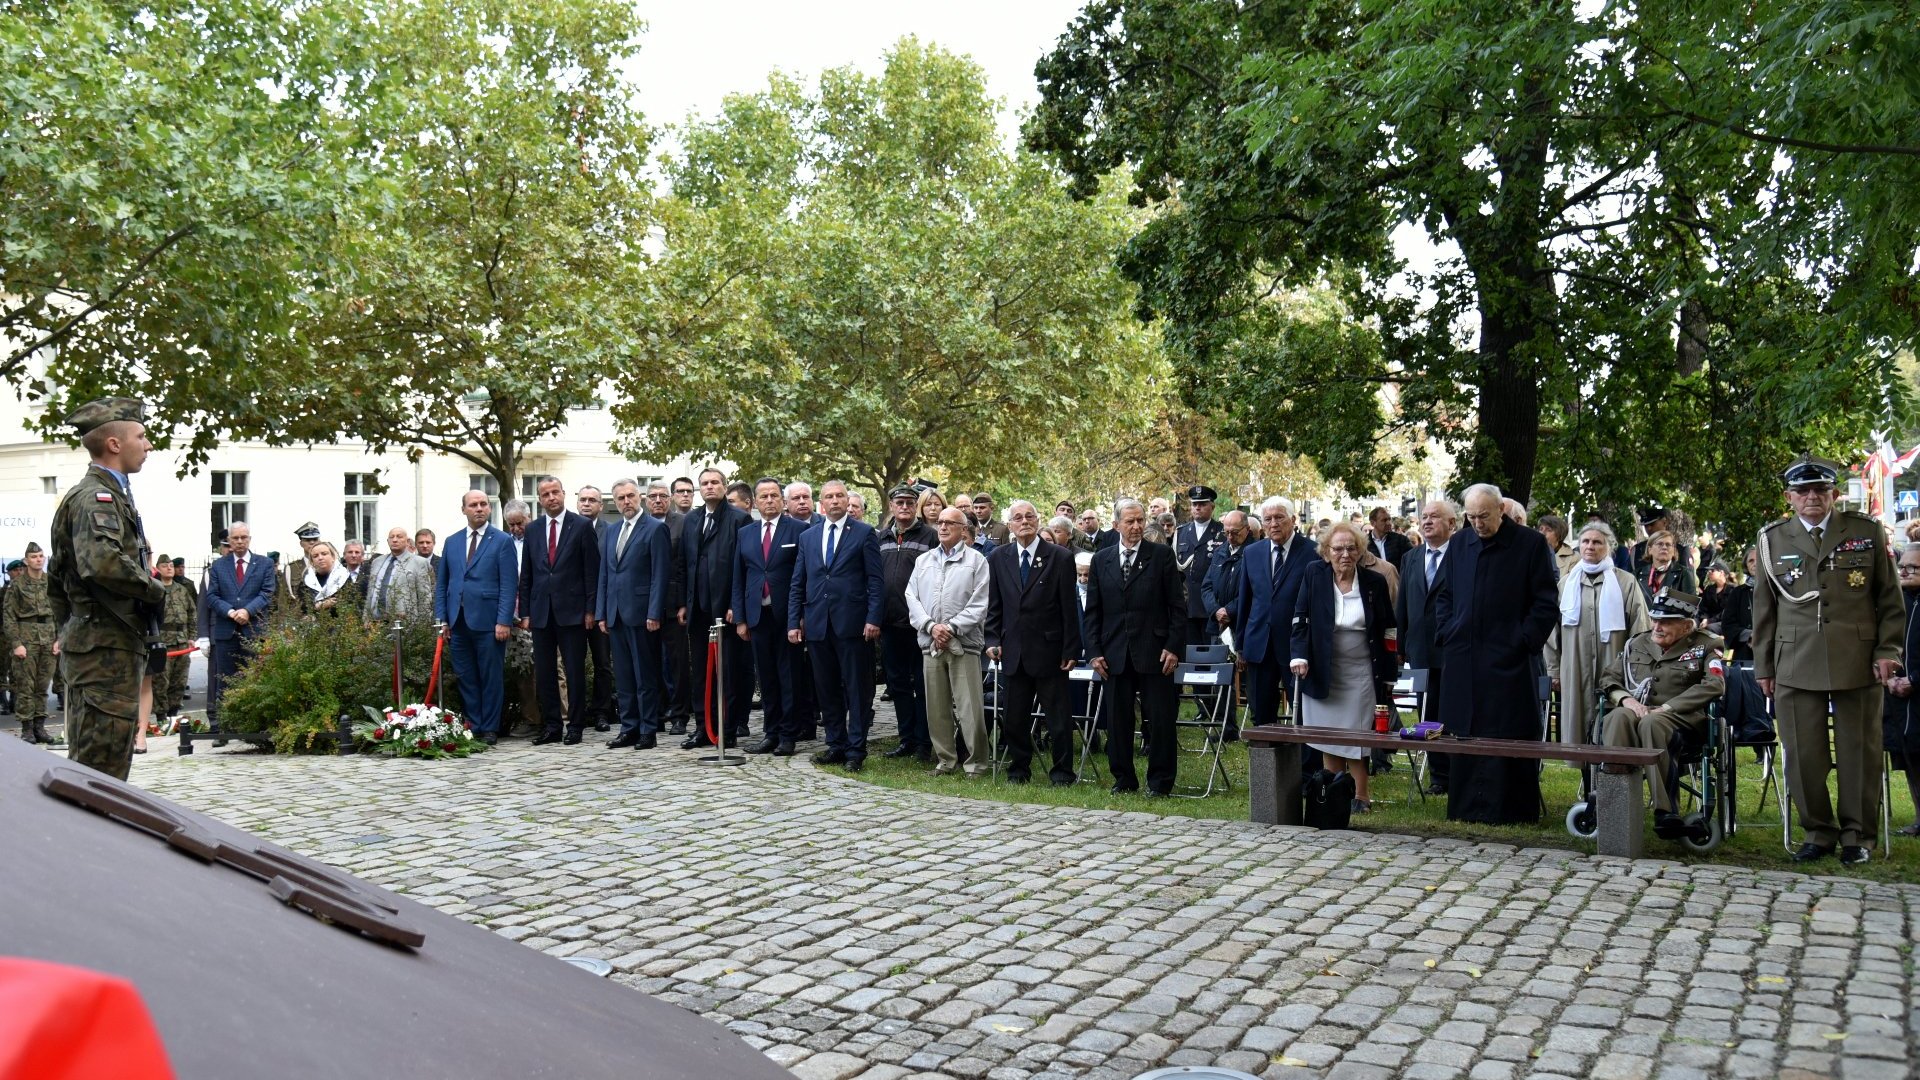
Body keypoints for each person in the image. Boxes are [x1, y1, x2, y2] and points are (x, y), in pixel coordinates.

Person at [1754, 454, 1905, 865]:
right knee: (1804, 754)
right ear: (1790, 498)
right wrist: (1764, 667)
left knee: (1860, 751)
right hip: (1795, 660)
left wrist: (1888, 650)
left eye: (1820, 489)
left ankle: (1858, 835)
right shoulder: (1771, 540)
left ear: (1835, 493)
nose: (1812, 497)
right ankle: (1818, 832)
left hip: (1856, 657)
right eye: (1802, 491)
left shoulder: (1865, 531)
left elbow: (1889, 601)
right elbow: (1764, 610)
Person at [47, 397, 167, 779]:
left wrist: (72, 627)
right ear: (115, 444)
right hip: (103, 651)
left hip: (104, 645)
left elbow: (57, 578)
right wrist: (154, 588)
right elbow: (102, 563)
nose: (148, 445)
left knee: (106, 765)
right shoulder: (95, 497)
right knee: (99, 772)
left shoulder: (112, 495)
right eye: (141, 436)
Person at [1433, 483, 1560, 825]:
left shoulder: (1530, 544)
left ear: (1501, 509)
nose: (1477, 523)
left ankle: (1511, 810)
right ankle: (1467, 807)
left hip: (1510, 660)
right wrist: (1448, 629)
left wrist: (1523, 640)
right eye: (1471, 516)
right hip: (1465, 656)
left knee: (1509, 730)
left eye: (1484, 516)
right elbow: (1444, 593)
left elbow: (1546, 602)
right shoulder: (1460, 543)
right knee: (1467, 729)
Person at [1598, 588, 1726, 840]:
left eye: (1666, 622)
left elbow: (1715, 684)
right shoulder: (1637, 642)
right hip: (1638, 711)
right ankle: (1612, 803)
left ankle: (1665, 811)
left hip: (1682, 721)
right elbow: (1609, 677)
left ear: (1687, 626)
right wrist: (1626, 700)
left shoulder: (1706, 644)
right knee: (1616, 717)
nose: (1656, 626)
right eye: (1655, 619)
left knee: (1652, 723)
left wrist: (1667, 707)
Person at [1288, 522, 1397, 813]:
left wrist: (1389, 674)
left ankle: (1361, 796)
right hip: (1323, 669)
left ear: (1360, 551)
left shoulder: (1374, 581)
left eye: (1351, 548)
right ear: (1326, 552)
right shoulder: (1314, 574)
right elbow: (1300, 618)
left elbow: (1389, 630)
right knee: (1328, 735)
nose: (1345, 554)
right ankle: (1334, 790)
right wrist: (1299, 656)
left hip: (1361, 670)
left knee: (1358, 735)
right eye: (1338, 549)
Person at [1083, 498, 1185, 796]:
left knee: (1162, 719)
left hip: (1155, 652)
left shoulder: (1162, 556)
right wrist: (1094, 652)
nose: (1137, 526)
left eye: (1140, 520)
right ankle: (1124, 779)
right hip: (1114, 653)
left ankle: (1160, 782)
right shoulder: (1101, 560)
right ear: (1115, 525)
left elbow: (1177, 608)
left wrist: (1173, 647)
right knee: (1118, 720)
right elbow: (1093, 613)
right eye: (1130, 521)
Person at [984, 500, 1082, 784]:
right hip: (1013, 650)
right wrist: (992, 638)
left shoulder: (1059, 557)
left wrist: (1071, 648)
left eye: (1030, 516)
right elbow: (994, 606)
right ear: (1010, 525)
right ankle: (1018, 769)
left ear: (1038, 522)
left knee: (1058, 719)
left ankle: (1062, 772)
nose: (1024, 521)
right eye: (1018, 517)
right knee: (1014, 718)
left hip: (1051, 651)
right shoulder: (997, 558)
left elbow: (1069, 608)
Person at [789, 480, 884, 771]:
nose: (834, 501)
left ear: (847, 500)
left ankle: (856, 749)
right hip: (817, 624)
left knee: (857, 689)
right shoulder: (809, 536)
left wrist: (873, 618)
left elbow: (876, 581)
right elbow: (798, 581)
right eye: (828, 497)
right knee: (826, 689)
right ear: (822, 503)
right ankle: (836, 744)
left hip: (853, 624)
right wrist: (794, 621)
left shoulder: (865, 533)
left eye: (839, 496)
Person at [1544, 522, 1651, 746]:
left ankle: (1611, 772)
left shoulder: (1625, 582)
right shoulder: (1566, 583)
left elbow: (1640, 629)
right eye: (1585, 541)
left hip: (1614, 664)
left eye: (1597, 542)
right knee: (1579, 728)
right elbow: (1552, 631)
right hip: (1575, 667)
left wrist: (1637, 669)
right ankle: (1586, 773)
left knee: (1613, 725)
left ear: (1609, 547)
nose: (1590, 546)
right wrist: (1554, 671)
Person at [907, 507, 993, 777]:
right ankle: (946, 761)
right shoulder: (924, 561)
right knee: (936, 708)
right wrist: (931, 627)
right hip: (930, 643)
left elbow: (979, 603)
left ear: (963, 529)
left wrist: (952, 627)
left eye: (950, 523)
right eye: (940, 523)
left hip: (964, 644)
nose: (942, 527)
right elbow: (912, 598)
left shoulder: (977, 561)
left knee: (970, 709)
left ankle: (977, 763)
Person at [517, 477, 600, 746]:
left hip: (573, 611)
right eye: (545, 494)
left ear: (564, 494)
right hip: (541, 612)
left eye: (555, 492)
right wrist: (526, 612)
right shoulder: (533, 530)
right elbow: (527, 574)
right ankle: (551, 725)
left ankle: (575, 725)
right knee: (545, 672)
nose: (551, 497)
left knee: (574, 670)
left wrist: (591, 609)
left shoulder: (582, 526)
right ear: (539, 499)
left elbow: (591, 571)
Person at [434, 490, 517, 745]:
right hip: (458, 621)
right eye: (473, 505)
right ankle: (474, 724)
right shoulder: (452, 541)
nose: (479, 508)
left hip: (489, 622)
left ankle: (490, 727)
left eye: (483, 504)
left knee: (490, 675)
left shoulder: (502, 540)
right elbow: (443, 583)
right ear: (464, 510)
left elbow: (508, 584)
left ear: (490, 509)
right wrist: (442, 619)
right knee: (465, 675)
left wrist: (504, 620)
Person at [732, 478, 807, 755]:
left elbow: (805, 576)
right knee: (765, 678)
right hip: (757, 615)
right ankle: (770, 732)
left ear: (783, 500)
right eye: (763, 496)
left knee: (788, 676)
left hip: (787, 616)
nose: (769, 500)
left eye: (774, 495)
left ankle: (788, 734)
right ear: (755, 501)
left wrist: (800, 616)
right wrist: (740, 618)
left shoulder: (799, 530)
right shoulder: (746, 533)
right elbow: (738, 577)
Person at [680, 468, 752, 748]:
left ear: (724, 487)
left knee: (728, 671)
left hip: (726, 608)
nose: (710, 487)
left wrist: (737, 603)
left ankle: (728, 729)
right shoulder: (692, 520)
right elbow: (684, 563)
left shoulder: (739, 519)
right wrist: (683, 604)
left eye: (715, 483)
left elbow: (744, 565)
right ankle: (703, 727)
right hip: (697, 608)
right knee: (700, 671)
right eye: (705, 483)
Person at [1235, 497, 1322, 728]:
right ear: (1262, 524)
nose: (1273, 523)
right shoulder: (1252, 553)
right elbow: (1246, 600)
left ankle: (1308, 764)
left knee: (1303, 712)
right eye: (1268, 519)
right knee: (1261, 713)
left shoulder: (1313, 552)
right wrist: (1241, 643)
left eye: (1279, 517)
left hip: (1297, 646)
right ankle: (1266, 764)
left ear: (1293, 520)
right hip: (1259, 645)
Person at [597, 479, 671, 750]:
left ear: (639, 497)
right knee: (625, 676)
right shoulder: (611, 531)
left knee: (645, 675)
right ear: (614, 502)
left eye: (630, 496)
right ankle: (628, 727)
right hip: (615, 613)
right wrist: (601, 612)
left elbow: (660, 575)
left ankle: (648, 729)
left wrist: (654, 611)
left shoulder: (655, 529)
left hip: (642, 614)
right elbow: (605, 574)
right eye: (620, 498)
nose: (626, 501)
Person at [1397, 499, 1457, 794]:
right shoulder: (1411, 557)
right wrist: (1401, 643)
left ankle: (1454, 771)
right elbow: (1404, 603)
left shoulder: (1462, 556)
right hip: (1419, 647)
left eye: (1435, 517)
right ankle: (1438, 775)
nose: (1428, 521)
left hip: (1452, 649)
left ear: (1452, 524)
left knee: (1451, 710)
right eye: (1424, 516)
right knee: (1427, 713)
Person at [876, 486, 939, 761]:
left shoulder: (931, 536)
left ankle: (925, 742)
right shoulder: (880, 537)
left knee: (924, 685)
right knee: (898, 684)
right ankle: (906, 739)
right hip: (889, 624)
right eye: (899, 502)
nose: (904, 507)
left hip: (920, 624)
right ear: (891, 505)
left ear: (916, 506)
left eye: (909, 502)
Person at [202, 521, 273, 733]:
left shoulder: (264, 564)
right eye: (235, 538)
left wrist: (247, 611)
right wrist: (231, 611)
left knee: (255, 678)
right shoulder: (219, 566)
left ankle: (254, 728)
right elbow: (212, 596)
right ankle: (224, 728)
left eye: (243, 538)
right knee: (224, 681)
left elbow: (267, 593)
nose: (240, 542)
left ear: (249, 538)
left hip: (254, 630)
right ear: (229, 541)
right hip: (226, 630)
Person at [646, 480, 693, 735]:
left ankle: (680, 715)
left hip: (674, 605)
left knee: (677, 664)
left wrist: (684, 602)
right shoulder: (641, 525)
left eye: (663, 496)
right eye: (652, 496)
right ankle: (656, 713)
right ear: (646, 500)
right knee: (650, 663)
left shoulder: (682, 523)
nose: (657, 500)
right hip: (645, 606)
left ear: (671, 499)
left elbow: (686, 564)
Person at [4, 542, 59, 744]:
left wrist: (59, 639)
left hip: (48, 637)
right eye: (34, 557)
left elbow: (60, 612)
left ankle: (40, 727)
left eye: (41, 556)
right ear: (26, 560)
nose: (38, 559)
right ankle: (27, 729)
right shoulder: (17, 585)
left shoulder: (51, 582)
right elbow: (9, 616)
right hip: (26, 638)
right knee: (25, 686)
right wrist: (16, 643)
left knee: (42, 686)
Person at [1883, 543, 1920, 836]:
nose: (1905, 572)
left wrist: (1915, 680)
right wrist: (1891, 678)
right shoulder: (1899, 602)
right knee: (1909, 757)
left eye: (1913, 567)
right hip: (1898, 696)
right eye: (1903, 566)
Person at [575, 485, 616, 734]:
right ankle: (578, 713)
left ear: (601, 505)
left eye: (593, 500)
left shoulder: (610, 532)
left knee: (603, 663)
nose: (587, 504)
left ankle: (602, 711)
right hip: (573, 610)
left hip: (602, 608)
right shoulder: (567, 529)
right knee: (574, 664)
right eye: (583, 500)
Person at [1175, 485, 1225, 646]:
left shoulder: (1222, 532)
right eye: (1194, 504)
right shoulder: (1181, 532)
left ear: (1212, 506)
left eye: (1203, 504)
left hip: (1212, 607)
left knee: (1212, 658)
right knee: (1189, 658)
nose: (1198, 507)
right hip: (1187, 607)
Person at [154, 555, 196, 722]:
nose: (169, 568)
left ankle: (173, 714)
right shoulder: (154, 589)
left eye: (171, 565)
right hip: (163, 640)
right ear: (158, 568)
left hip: (182, 641)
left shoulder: (182, 589)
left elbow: (192, 613)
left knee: (179, 680)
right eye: (165, 566)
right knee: (160, 681)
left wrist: (192, 637)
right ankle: (161, 716)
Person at [366, 526, 434, 621]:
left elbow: (425, 598)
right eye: (392, 537)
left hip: (405, 623)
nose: (394, 540)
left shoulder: (419, 563)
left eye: (399, 536)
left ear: (407, 541)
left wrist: (423, 625)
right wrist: (365, 618)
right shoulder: (377, 562)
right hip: (374, 623)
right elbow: (370, 592)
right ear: (387, 541)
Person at [293, 541, 353, 617]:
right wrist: (321, 605)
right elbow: (303, 607)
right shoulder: (307, 581)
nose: (320, 558)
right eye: (315, 556)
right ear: (312, 561)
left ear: (333, 557)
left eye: (324, 554)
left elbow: (347, 604)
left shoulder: (343, 577)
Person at [1635, 530, 1696, 600]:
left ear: (1673, 551)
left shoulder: (1684, 573)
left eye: (1668, 544)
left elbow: (1691, 606)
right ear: (1650, 550)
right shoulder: (1637, 575)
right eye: (1660, 544)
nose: (1664, 547)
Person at [1366, 507, 1413, 572]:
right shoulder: (1364, 543)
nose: (1389, 523)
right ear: (1373, 523)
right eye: (1384, 520)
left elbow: (1412, 562)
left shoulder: (1401, 540)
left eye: (1389, 519)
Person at [1536, 514, 1578, 580]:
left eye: (1548, 530)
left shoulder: (1574, 558)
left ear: (1559, 535)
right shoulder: (1534, 554)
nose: (1542, 533)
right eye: (1541, 529)